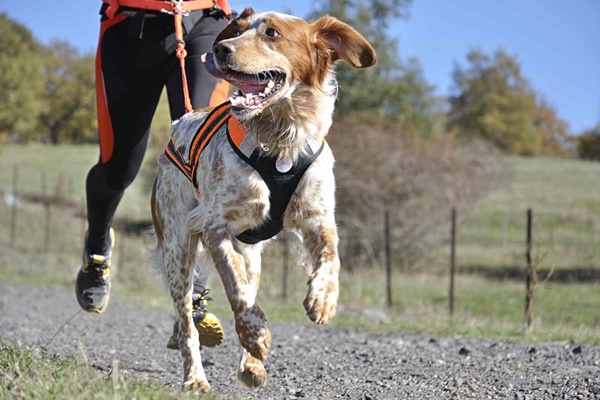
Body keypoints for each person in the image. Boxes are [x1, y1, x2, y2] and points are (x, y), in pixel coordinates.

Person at [75, 0, 232, 350]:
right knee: (119, 167)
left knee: (200, 158)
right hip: (131, 27)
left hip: (204, 22)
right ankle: (97, 246)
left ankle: (191, 296)